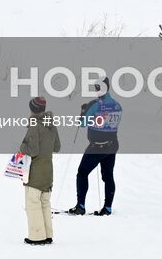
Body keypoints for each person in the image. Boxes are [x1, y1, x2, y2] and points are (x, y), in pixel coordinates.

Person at [68, 77, 121, 216]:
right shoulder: (117, 105)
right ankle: (108, 207)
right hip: (113, 145)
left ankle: (80, 206)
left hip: (97, 146)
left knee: (82, 173)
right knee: (108, 176)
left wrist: (84, 111)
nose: (96, 90)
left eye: (97, 87)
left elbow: (83, 123)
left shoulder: (96, 105)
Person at [19, 96, 61, 244]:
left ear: (32, 109)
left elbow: (32, 150)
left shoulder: (34, 124)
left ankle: (37, 237)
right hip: (48, 170)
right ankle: (48, 235)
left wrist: (22, 146)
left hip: (35, 170)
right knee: (45, 202)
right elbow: (57, 147)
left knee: (33, 203)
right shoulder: (50, 123)